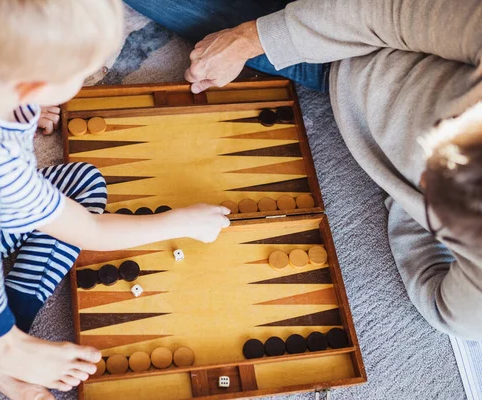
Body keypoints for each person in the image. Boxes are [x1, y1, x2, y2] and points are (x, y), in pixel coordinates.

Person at [0, 0, 230, 399]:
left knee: (82, 182)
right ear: (32, 84)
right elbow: (89, 229)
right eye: (83, 74)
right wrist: (180, 222)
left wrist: (30, 107)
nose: (87, 78)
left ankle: (1, 338)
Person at [124, 0, 482, 339]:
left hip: (325, 70)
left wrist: (404, 195)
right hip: (357, 29)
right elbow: (389, 11)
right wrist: (249, 38)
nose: (420, 182)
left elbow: (443, 307)